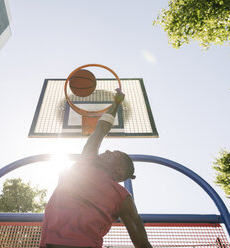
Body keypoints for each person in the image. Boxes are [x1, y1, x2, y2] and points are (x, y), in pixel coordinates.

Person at [40, 89, 152, 248]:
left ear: (119, 171)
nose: (107, 151)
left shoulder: (122, 197)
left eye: (114, 154)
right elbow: (100, 129)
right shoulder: (86, 163)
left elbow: (141, 241)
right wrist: (116, 103)